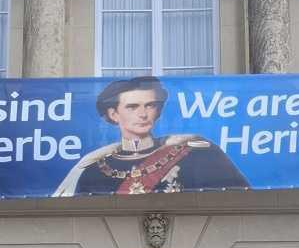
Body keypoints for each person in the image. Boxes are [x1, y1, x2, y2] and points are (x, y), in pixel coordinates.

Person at [53, 76, 249, 197]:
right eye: (132, 107)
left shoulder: (197, 153)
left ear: (158, 110)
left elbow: (242, 200)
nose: (143, 114)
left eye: (150, 105)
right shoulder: (94, 171)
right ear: (113, 114)